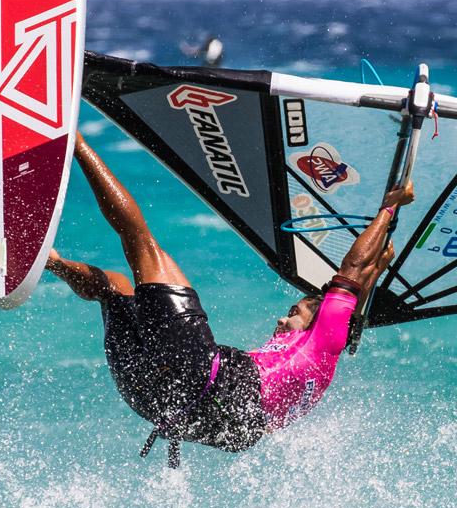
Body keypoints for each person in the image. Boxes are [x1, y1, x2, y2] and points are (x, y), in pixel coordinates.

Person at [45, 134, 413, 466]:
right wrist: (378, 268)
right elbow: (358, 279)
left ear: (322, 319)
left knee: (140, 243)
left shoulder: (324, 339)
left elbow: (351, 266)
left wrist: (389, 208)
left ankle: (73, 141)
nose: (281, 322)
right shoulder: (314, 380)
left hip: (198, 375)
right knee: (114, 287)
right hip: (156, 405)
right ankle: (49, 262)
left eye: (294, 312)